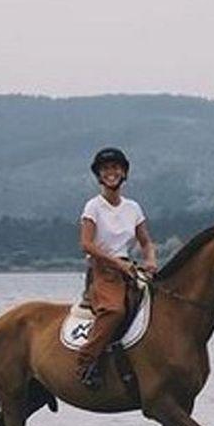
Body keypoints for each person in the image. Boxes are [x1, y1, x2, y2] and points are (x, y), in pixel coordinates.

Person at [76, 147, 157, 390]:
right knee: (114, 311)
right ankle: (85, 362)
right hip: (104, 270)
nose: (111, 172)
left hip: (129, 269)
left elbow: (146, 241)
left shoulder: (133, 207)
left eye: (115, 168)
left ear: (124, 173)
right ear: (99, 176)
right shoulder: (94, 206)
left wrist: (151, 260)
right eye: (106, 169)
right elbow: (86, 244)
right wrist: (116, 263)